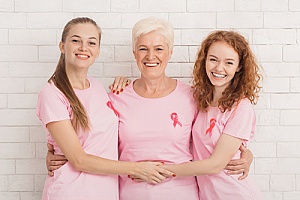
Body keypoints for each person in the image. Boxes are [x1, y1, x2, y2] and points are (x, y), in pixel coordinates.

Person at [45, 17, 254, 200]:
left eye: (159, 49)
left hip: (181, 193)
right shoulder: (116, 96)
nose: (150, 56)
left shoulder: (195, 97)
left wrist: (245, 155)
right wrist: (55, 149)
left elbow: (213, 137)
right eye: (143, 48)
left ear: (170, 53)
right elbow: (96, 136)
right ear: (134, 53)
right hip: (128, 194)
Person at [36, 17, 173, 200]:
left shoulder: (98, 87)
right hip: (71, 192)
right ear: (62, 46)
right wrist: (138, 168)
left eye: (91, 42)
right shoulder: (52, 94)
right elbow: (78, 160)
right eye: (76, 40)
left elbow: (107, 137)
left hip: (105, 192)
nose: (84, 48)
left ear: (98, 51)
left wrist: (126, 83)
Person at [158, 30, 263, 199]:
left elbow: (215, 165)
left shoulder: (241, 108)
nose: (219, 68)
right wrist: (126, 82)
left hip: (235, 194)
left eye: (229, 63)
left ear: (239, 67)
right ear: (204, 60)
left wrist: (162, 170)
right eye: (213, 59)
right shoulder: (199, 100)